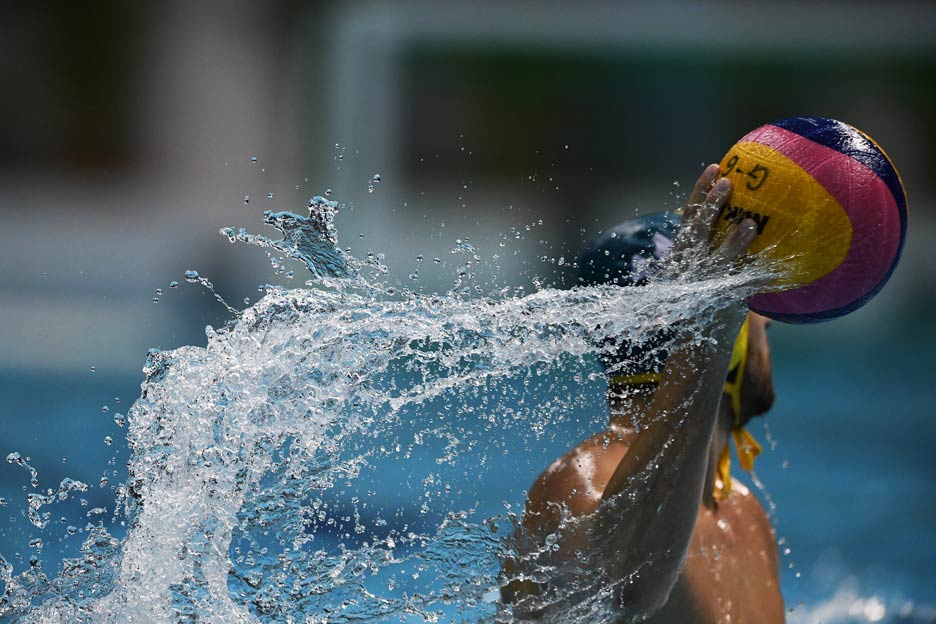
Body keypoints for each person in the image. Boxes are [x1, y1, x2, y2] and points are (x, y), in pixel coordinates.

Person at [500, 164, 784, 622]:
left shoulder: (746, 516)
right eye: (748, 301)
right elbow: (631, 588)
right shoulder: (582, 482)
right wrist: (704, 336)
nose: (768, 321)